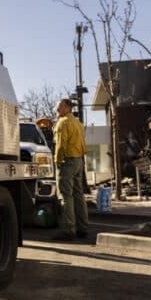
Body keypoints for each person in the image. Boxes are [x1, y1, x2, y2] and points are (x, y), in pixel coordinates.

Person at [52, 98, 89, 240]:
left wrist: (58, 160)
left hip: (67, 161)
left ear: (68, 108)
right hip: (79, 160)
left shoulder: (62, 123)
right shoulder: (78, 123)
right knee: (78, 195)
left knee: (65, 195)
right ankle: (82, 228)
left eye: (60, 106)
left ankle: (68, 231)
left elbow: (61, 145)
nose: (57, 109)